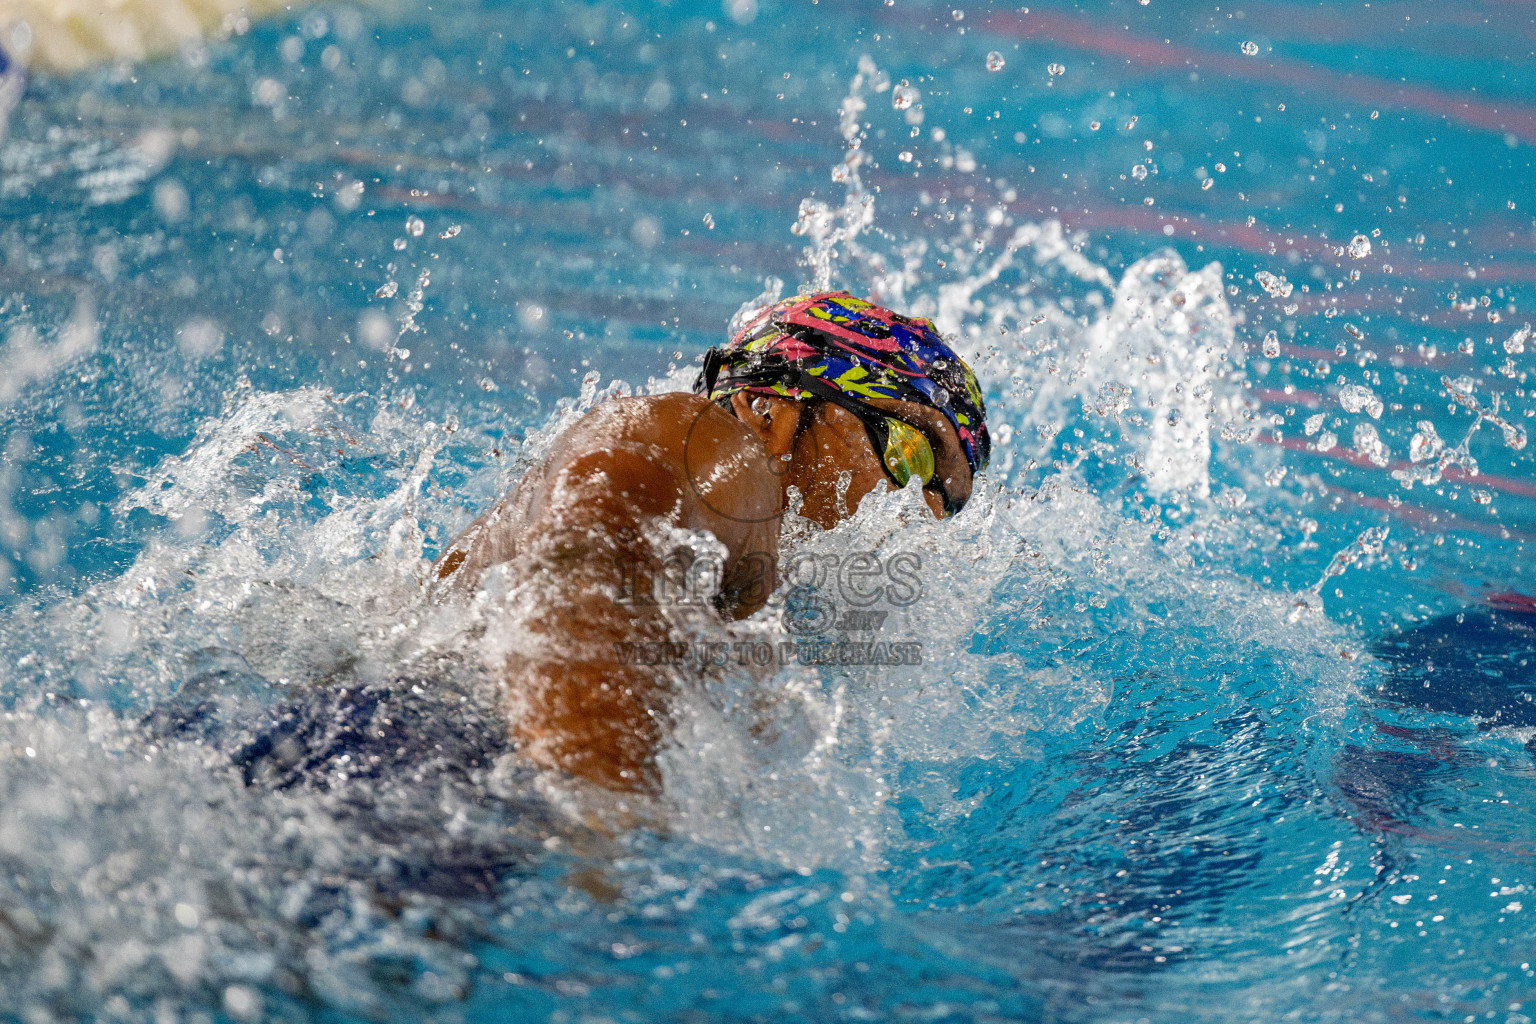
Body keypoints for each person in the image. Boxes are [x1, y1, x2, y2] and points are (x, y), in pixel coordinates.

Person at [431, 291, 990, 793]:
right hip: (439, 759)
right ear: (772, 413)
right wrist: (599, 805)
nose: (917, 512)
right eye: (910, 455)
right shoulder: (712, 446)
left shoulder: (745, 574)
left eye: (946, 502)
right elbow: (589, 535)